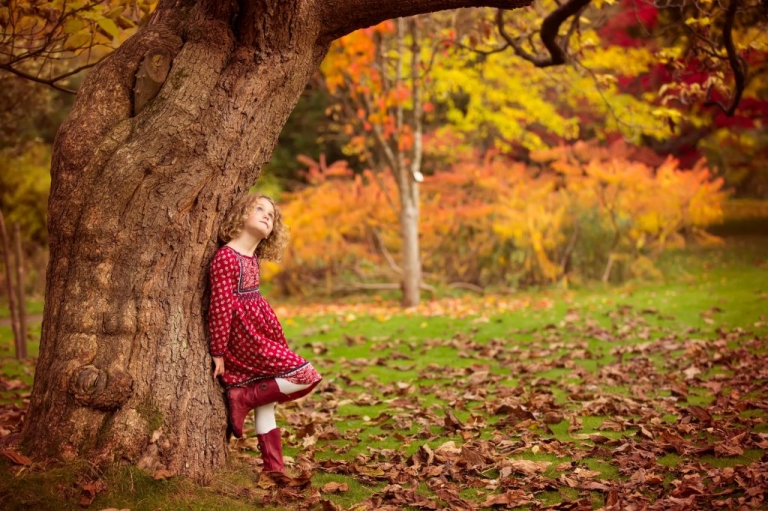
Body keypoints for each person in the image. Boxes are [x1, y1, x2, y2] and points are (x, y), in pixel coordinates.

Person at [208, 193, 322, 473]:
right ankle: (244, 397)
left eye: (271, 215)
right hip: (247, 340)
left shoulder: (252, 258)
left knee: (267, 405)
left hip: (261, 335)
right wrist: (218, 351)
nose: (266, 216)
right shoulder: (226, 257)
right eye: (259, 209)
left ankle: (275, 470)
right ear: (241, 214)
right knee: (305, 375)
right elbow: (220, 308)